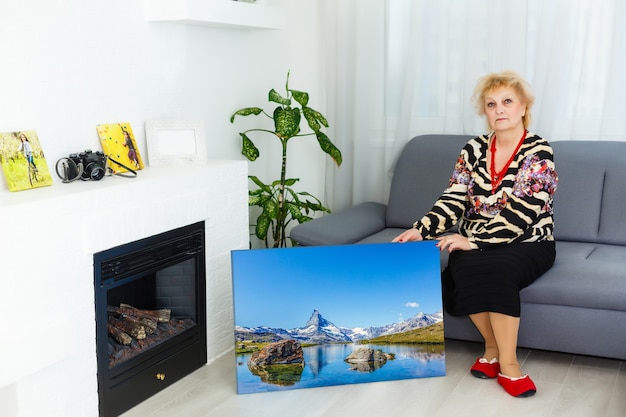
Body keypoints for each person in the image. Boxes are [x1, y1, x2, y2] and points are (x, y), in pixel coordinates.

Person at [392, 71, 558, 398]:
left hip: (528, 242)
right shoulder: (473, 149)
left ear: (523, 106)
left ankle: (508, 365)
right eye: (491, 103)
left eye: (507, 101)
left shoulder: (538, 151)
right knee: (462, 267)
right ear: (484, 110)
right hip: (475, 241)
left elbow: (525, 211)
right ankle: (492, 348)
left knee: (496, 270)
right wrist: (421, 229)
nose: (500, 109)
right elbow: (454, 197)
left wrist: (474, 241)